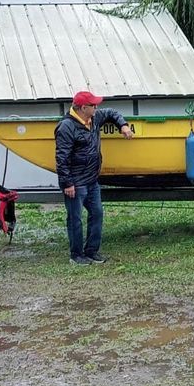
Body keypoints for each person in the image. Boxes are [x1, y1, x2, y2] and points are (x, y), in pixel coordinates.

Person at [55, 90, 134, 265]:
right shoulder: (66, 127)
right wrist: (67, 183)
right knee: (75, 219)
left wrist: (123, 125)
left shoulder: (94, 118)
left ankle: (92, 251)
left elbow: (112, 113)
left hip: (92, 180)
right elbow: (62, 158)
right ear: (83, 108)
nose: (97, 107)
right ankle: (76, 255)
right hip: (75, 182)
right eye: (93, 105)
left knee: (97, 214)